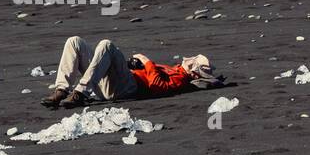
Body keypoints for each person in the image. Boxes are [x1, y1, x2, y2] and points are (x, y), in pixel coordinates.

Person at [41, 35, 204, 108]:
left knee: (106, 45)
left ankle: (80, 92)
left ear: (193, 71)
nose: (191, 58)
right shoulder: (174, 69)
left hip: (128, 88)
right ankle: (62, 89)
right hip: (114, 84)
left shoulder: (181, 77)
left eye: (195, 62)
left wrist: (147, 62)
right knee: (74, 42)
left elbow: (158, 87)